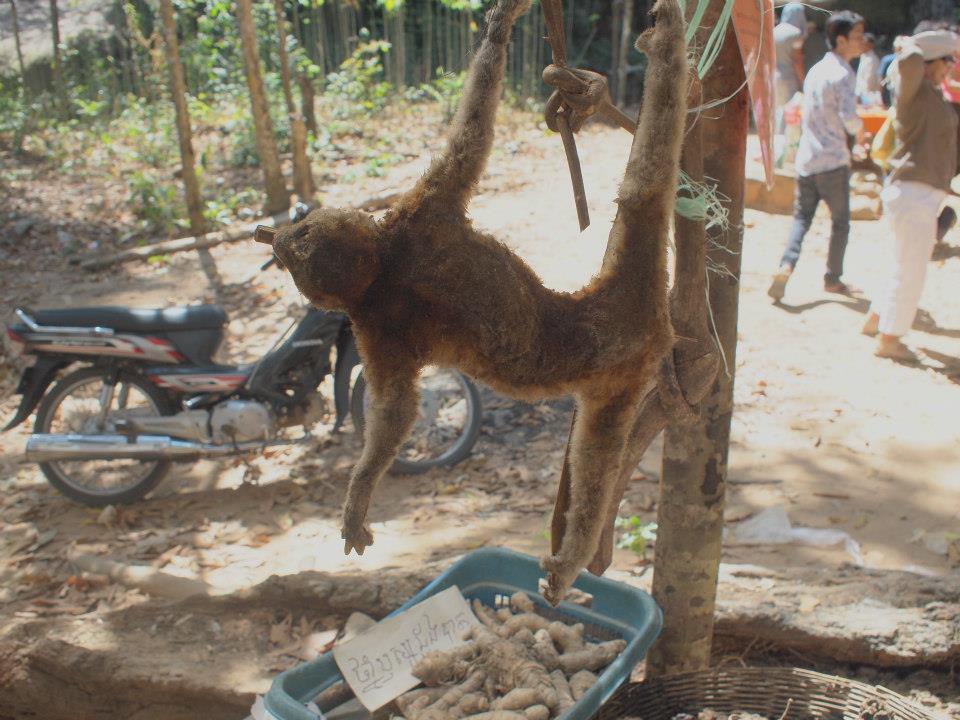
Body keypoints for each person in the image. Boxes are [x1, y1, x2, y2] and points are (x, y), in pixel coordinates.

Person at [862, 30, 960, 360]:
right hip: (914, 194)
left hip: (918, 194)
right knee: (912, 270)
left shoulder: (932, 94)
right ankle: (890, 339)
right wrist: (914, 44)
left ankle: (877, 318)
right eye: (948, 61)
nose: (951, 67)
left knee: (901, 262)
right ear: (933, 62)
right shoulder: (913, 88)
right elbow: (909, 59)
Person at [768, 11, 866, 302]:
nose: (861, 43)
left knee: (802, 218)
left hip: (806, 160)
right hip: (833, 161)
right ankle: (833, 279)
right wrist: (860, 134)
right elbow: (849, 118)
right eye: (858, 37)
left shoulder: (816, 70)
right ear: (841, 39)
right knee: (840, 223)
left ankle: (786, 264)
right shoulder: (843, 74)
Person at [774, 3, 807, 134]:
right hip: (788, 77)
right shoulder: (796, 33)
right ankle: (785, 142)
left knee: (777, 111)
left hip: (772, 77)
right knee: (789, 110)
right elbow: (797, 60)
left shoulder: (774, 31)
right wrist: (803, 80)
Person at [856, 33, 881, 104]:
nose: (861, 45)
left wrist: (861, 95)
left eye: (863, 43)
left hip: (867, 97)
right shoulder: (864, 57)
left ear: (870, 45)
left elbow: (869, 81)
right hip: (860, 94)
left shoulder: (872, 60)